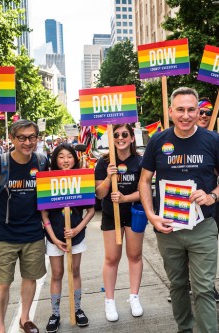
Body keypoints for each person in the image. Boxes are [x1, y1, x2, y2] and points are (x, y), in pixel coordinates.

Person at [138, 87, 219, 332]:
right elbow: (144, 181)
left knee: (203, 288)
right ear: (171, 112)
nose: (186, 115)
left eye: (191, 109)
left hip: (202, 227)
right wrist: (151, 216)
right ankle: (185, 328)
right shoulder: (158, 141)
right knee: (178, 285)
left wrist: (212, 195)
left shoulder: (212, 140)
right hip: (168, 228)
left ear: (198, 111)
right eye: (180, 109)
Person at [0, 119, 48, 333]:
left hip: (33, 233)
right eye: (22, 138)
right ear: (12, 139)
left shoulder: (43, 162)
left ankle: (25, 318)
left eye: (32, 137)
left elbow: (52, 193)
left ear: (37, 138)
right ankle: (0, 327)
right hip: (3, 234)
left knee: (30, 278)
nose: (27, 142)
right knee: (3, 283)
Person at [42, 143, 95, 332]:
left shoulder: (82, 178)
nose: (66, 160)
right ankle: (55, 313)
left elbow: (90, 211)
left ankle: (77, 309)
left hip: (77, 236)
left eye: (70, 156)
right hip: (55, 237)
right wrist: (54, 239)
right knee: (57, 274)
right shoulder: (48, 181)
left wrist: (77, 229)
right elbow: (45, 215)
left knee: (75, 271)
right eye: (61, 157)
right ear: (55, 159)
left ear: (75, 158)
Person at [95, 123, 144, 322]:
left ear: (132, 138)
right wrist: (109, 176)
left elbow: (145, 191)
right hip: (111, 215)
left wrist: (125, 198)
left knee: (134, 255)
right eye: (116, 134)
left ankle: (134, 297)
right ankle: (109, 301)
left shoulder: (140, 162)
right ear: (111, 138)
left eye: (125, 134)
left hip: (134, 213)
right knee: (112, 258)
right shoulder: (103, 162)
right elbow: (100, 194)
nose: (121, 137)